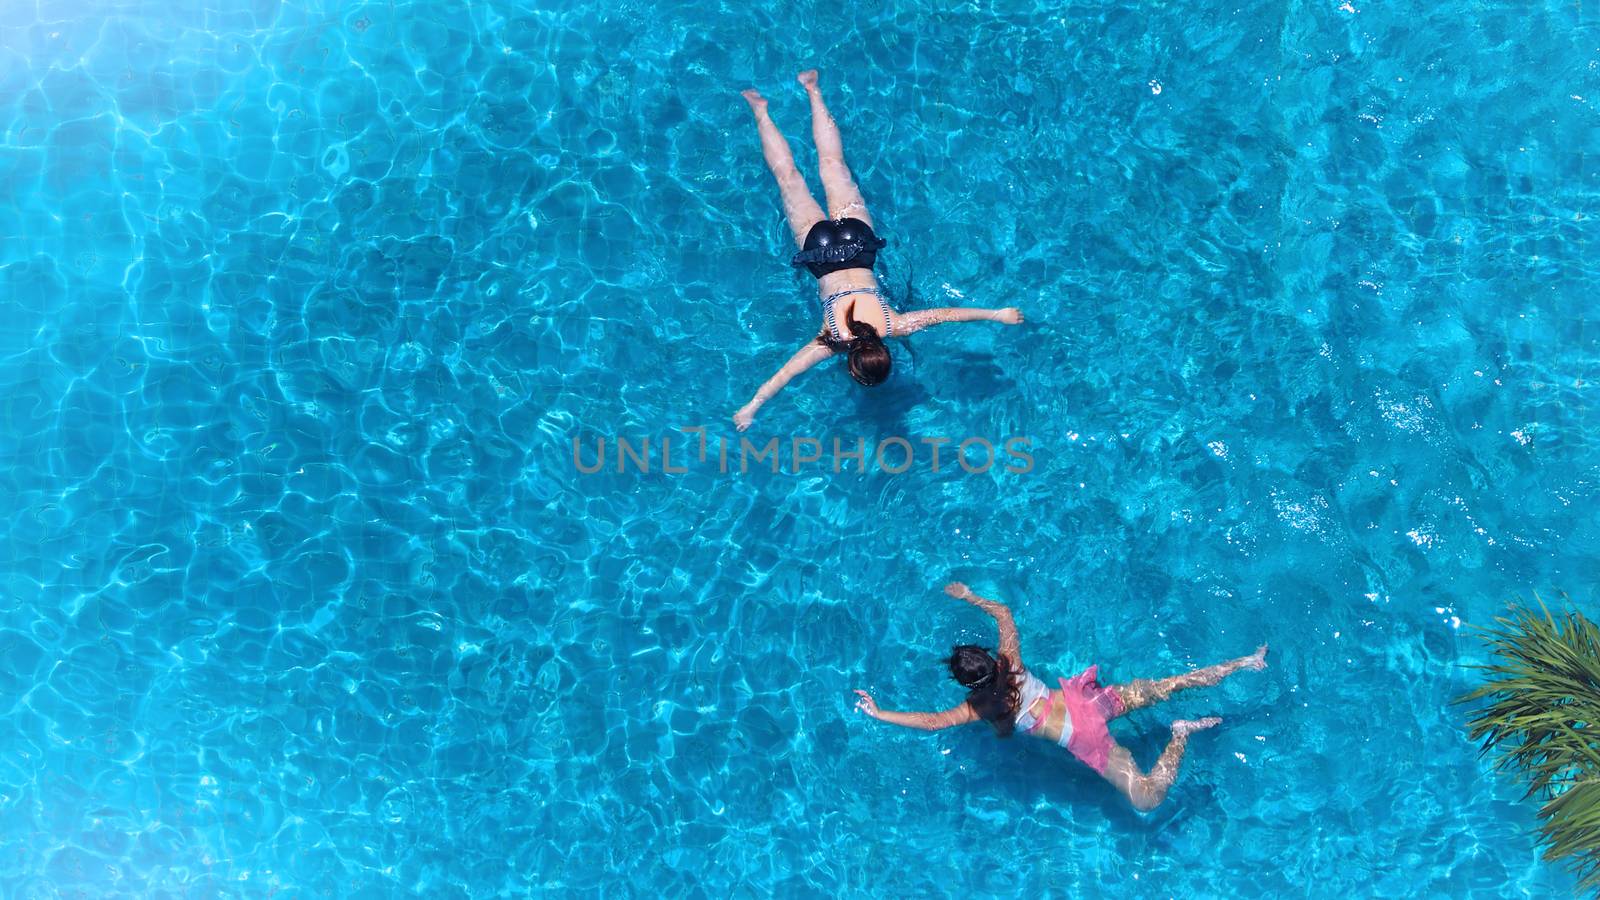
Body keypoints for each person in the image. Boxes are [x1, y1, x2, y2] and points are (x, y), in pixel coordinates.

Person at [734, 70, 1025, 432]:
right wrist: (752, 406)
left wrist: (996, 314)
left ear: (882, 352)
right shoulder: (831, 339)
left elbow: (948, 313)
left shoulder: (895, 324)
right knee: (788, 176)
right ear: (853, 362)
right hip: (820, 251)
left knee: (831, 165)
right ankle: (760, 110)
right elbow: (786, 373)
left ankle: (812, 89)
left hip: (858, 241)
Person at [852, 582, 1268, 811]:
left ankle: (1180, 735)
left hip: (1083, 738)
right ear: (988, 659)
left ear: (968, 684)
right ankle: (1246, 661)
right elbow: (1003, 613)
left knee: (1146, 799)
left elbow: (930, 722)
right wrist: (969, 597)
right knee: (1169, 685)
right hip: (1086, 701)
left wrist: (879, 712)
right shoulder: (1010, 661)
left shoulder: (980, 707)